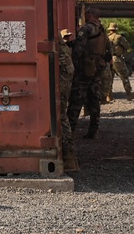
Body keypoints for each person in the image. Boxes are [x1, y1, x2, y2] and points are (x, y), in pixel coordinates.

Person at [67, 9, 110, 139]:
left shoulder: (86, 29)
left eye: (85, 14)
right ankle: (93, 130)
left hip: (84, 69)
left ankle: (69, 132)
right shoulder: (102, 30)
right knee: (94, 100)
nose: (84, 16)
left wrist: (73, 65)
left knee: (76, 100)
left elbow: (79, 49)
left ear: (90, 15)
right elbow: (109, 50)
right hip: (98, 68)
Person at [58, 28, 78, 172]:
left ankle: (69, 157)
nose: (67, 39)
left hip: (63, 87)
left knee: (60, 115)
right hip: (65, 85)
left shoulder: (63, 52)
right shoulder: (65, 49)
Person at [105, 23, 134, 102]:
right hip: (117, 59)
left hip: (108, 59)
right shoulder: (119, 37)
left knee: (109, 78)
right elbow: (127, 46)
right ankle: (129, 94)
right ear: (116, 29)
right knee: (124, 76)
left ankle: (109, 96)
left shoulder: (106, 37)